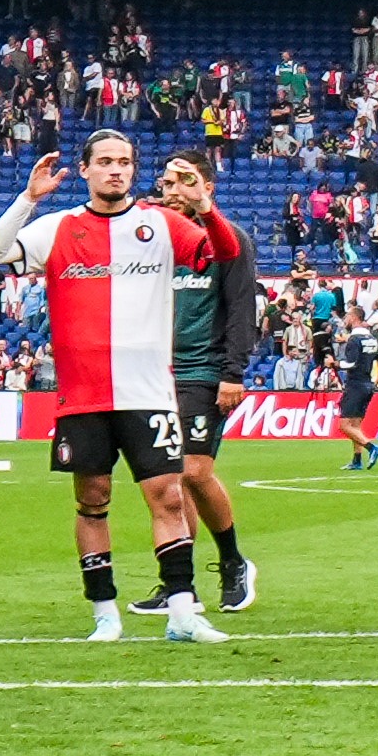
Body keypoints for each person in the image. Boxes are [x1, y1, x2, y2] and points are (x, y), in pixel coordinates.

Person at [0, 129, 225, 646]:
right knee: (93, 499)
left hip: (148, 392)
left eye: (125, 162)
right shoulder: (58, 227)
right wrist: (29, 198)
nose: (116, 170)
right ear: (87, 169)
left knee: (168, 496)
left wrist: (204, 206)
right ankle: (105, 613)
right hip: (83, 394)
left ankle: (182, 611)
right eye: (106, 162)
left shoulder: (162, 223)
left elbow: (222, 254)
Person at [156, 153, 260, 617]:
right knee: (168, 481)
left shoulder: (229, 240)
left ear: (207, 186)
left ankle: (233, 562)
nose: (173, 190)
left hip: (204, 370)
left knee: (194, 472)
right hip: (156, 375)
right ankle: (180, 585)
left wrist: (233, 373)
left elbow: (242, 308)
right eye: (167, 182)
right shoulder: (154, 239)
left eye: (184, 181)